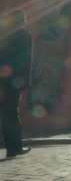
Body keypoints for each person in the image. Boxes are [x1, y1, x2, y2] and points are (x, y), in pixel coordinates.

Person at [0, 10, 32, 158]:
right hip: (14, 81)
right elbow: (26, 60)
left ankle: (13, 148)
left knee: (8, 113)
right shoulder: (24, 35)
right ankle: (14, 148)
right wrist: (24, 82)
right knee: (11, 113)